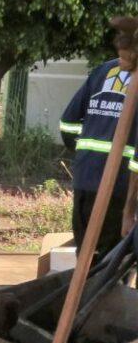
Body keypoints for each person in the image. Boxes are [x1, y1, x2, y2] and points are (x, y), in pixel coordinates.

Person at [58, 15, 138, 260]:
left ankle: (86, 296)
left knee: (87, 255)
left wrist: (87, 152)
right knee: (111, 262)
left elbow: (68, 124)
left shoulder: (103, 70)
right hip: (121, 185)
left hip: (86, 177)